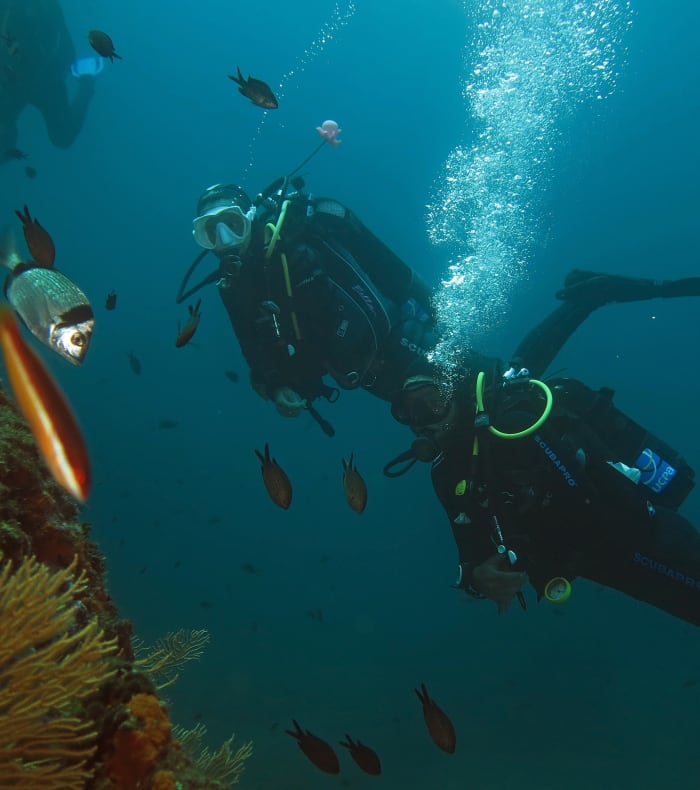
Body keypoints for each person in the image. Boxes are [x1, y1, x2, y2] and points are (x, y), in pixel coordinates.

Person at [387, 269, 700, 627]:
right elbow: (471, 551)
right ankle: (589, 297)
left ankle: (592, 296)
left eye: (430, 402)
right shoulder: (446, 475)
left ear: (456, 399)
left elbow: (585, 505)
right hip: (598, 563)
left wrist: (526, 554)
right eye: (406, 411)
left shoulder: (514, 428)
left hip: (638, 535)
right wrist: (478, 579)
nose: (421, 419)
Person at [179, 176, 438, 433]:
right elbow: (250, 343)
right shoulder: (233, 285)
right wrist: (277, 386)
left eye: (233, 224)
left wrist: (434, 307)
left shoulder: (295, 242)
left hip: (400, 339)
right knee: (438, 425)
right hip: (363, 373)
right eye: (211, 231)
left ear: (249, 218)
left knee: (468, 389)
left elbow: (377, 277)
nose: (225, 239)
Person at [0, 0, 95, 164]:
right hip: (38, 74)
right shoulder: (36, 87)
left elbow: (66, 52)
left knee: (62, 136)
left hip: (43, 73)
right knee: (62, 136)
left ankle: (86, 78)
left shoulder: (40, 83)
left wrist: (84, 80)